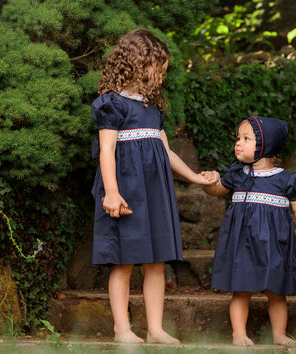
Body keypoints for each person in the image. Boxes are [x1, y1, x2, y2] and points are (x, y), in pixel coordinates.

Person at [90, 29, 216, 345]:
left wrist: (194, 177)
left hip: (155, 191)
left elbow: (166, 151)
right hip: (124, 190)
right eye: (157, 68)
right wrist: (112, 192)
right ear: (135, 64)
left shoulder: (154, 107)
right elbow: (106, 150)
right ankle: (122, 330)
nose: (161, 75)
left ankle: (156, 329)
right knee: (123, 260)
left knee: (155, 260)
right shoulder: (112, 104)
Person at [202, 116, 296, 346]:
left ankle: (279, 334)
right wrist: (208, 183)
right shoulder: (237, 175)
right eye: (238, 138)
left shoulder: (284, 180)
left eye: (246, 139)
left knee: (276, 292)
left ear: (266, 145)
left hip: (275, 244)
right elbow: (216, 190)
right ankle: (239, 334)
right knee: (240, 290)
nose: (238, 143)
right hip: (242, 243)